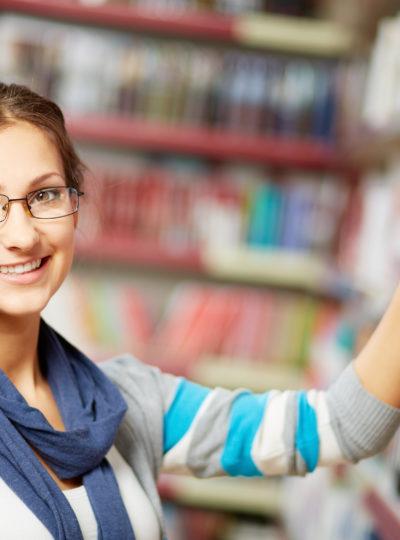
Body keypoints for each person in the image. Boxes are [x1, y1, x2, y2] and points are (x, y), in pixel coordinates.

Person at [0, 81, 399, 540]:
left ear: (75, 206)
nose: (23, 235)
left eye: (46, 195)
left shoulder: (128, 403)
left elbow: (340, 426)